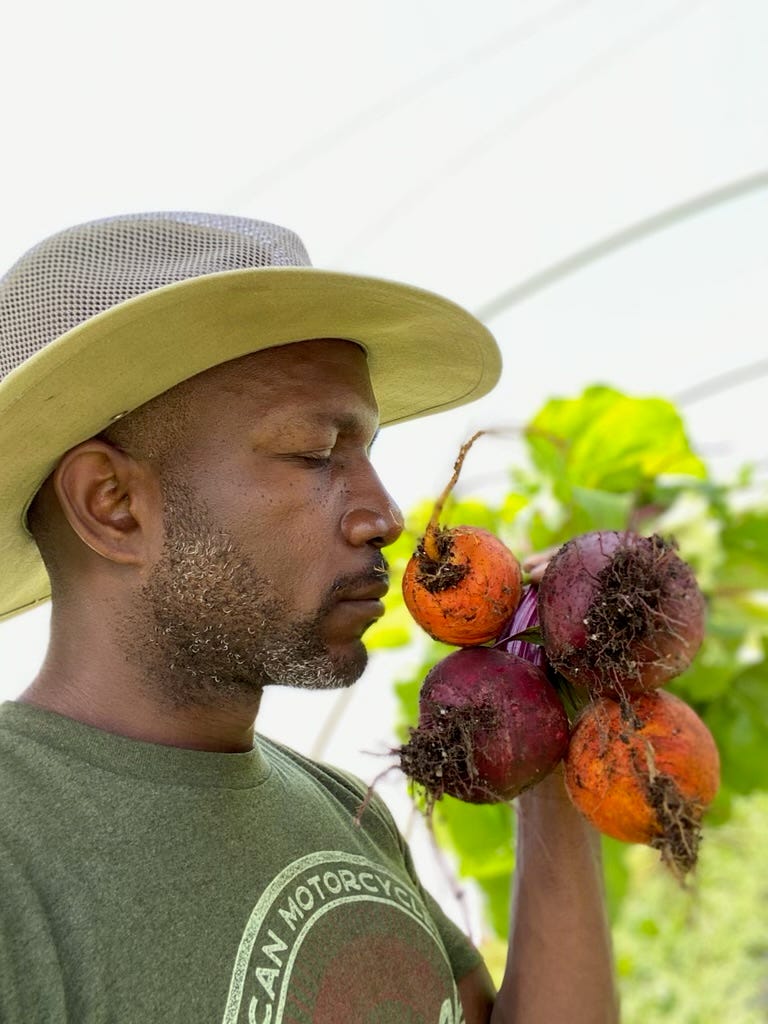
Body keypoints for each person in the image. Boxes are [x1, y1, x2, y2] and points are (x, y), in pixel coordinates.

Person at [0, 211, 618, 1023]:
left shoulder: (341, 809)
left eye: (368, 453)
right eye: (316, 454)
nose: (386, 515)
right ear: (113, 507)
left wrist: (555, 758)